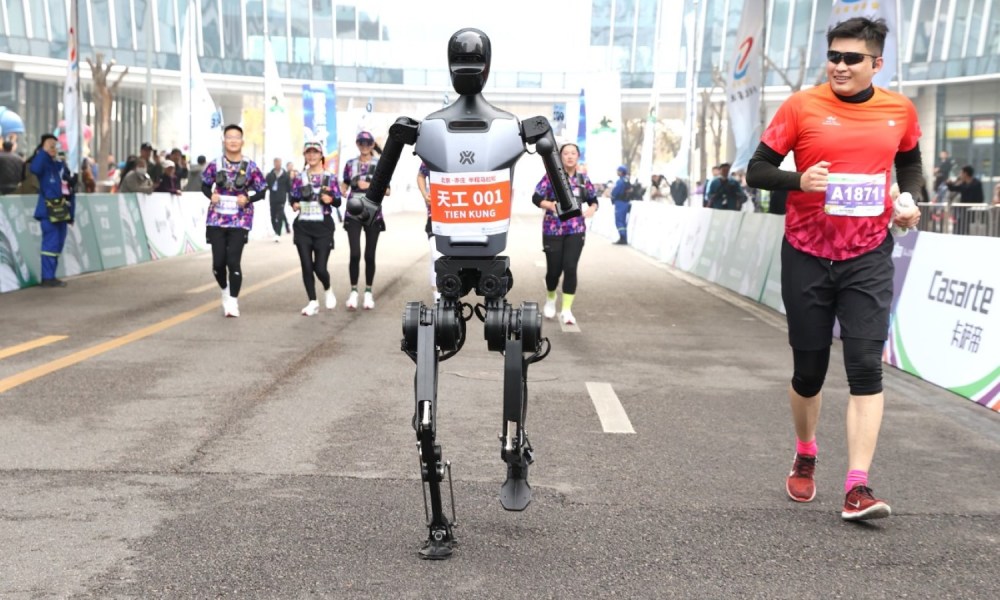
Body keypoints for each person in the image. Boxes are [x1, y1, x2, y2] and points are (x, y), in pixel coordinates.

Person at [745, 16, 922, 521]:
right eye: (834, 57)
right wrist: (801, 180)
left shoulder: (899, 110)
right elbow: (757, 169)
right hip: (806, 253)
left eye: (852, 59)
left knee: (866, 367)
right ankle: (806, 451)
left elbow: (909, 161)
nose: (840, 67)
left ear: (876, 64)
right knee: (809, 372)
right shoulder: (802, 106)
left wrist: (908, 199)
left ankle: (858, 486)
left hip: (868, 253)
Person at [200, 124, 267, 317]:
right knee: (218, 264)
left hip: (240, 219)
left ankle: (233, 302)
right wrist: (210, 195)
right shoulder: (215, 164)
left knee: (233, 261)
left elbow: (262, 190)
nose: (233, 140)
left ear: (242, 141)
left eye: (237, 137)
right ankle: (225, 290)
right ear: (224, 140)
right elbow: (204, 185)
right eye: (229, 137)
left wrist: (248, 199)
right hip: (216, 219)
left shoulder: (250, 166)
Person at [532, 143, 598, 325]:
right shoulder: (551, 177)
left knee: (570, 267)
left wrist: (592, 209)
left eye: (573, 153)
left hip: (576, 229)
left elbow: (593, 200)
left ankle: (567, 310)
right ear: (560, 157)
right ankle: (551, 298)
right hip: (553, 229)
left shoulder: (583, 179)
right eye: (566, 153)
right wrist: (550, 205)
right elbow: (536, 197)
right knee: (554, 271)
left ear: (578, 156)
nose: (569, 156)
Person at [289, 141, 341, 315]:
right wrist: (294, 204)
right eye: (308, 153)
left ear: (321, 156)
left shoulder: (330, 177)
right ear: (304, 156)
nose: (311, 156)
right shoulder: (299, 177)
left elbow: (339, 200)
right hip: (303, 225)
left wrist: (331, 200)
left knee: (319, 267)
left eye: (315, 153)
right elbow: (292, 197)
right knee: (306, 265)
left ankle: (327, 288)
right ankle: (312, 301)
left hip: (323, 227)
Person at [340, 130, 389, 310]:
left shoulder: (379, 164)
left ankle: (368, 291)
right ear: (357, 144)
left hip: (372, 212)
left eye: (368, 143)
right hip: (353, 211)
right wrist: (343, 189)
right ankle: (353, 291)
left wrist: (369, 186)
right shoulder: (350, 164)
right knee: (354, 253)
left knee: (369, 255)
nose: (365, 146)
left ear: (372, 145)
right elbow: (344, 183)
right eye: (361, 142)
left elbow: (388, 190)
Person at [30, 133, 77, 287]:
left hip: (62, 212)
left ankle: (51, 276)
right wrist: (43, 152)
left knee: (58, 244)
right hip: (48, 211)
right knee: (50, 243)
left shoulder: (60, 166)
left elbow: (69, 189)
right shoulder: (43, 164)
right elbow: (34, 168)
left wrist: (71, 214)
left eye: (54, 145)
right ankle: (47, 277)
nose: (53, 147)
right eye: (49, 144)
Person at [416, 161, 442, 301]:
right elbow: (421, 175)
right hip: (435, 215)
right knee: (436, 256)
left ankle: (451, 289)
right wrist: (425, 194)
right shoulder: (432, 153)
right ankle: (436, 293)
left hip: (459, 214)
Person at [266, 157, 291, 240]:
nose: (278, 164)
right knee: (272, 216)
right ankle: (275, 229)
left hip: (281, 198)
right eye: (276, 163)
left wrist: (289, 197)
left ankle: (278, 233)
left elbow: (289, 187)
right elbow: (266, 185)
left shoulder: (285, 175)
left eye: (279, 163)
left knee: (280, 215)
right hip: (273, 198)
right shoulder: (270, 175)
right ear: (274, 164)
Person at [610, 165, 631, 244]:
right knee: (623, 221)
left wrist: (612, 195)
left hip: (620, 202)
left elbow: (615, 191)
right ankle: (624, 237)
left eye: (618, 171)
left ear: (621, 172)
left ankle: (622, 237)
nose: (617, 172)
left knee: (619, 220)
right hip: (625, 202)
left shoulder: (620, 181)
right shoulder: (627, 180)